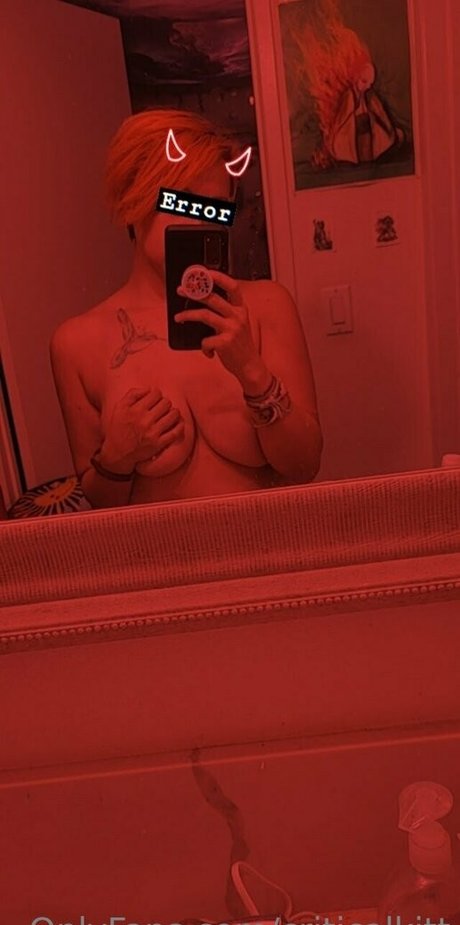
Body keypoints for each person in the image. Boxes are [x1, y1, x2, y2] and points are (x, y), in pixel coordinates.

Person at [50, 108, 322, 508]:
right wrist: (117, 459)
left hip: (268, 540)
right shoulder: (77, 343)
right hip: (159, 548)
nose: (202, 222)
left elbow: (305, 465)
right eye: (184, 203)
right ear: (133, 201)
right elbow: (103, 508)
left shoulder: (266, 307)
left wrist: (253, 373)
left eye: (215, 208)